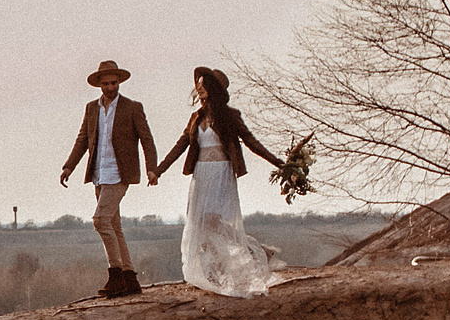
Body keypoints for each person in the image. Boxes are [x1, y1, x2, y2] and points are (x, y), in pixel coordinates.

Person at [152, 67, 290, 297]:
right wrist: (159, 170)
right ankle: (237, 260)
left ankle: (248, 254)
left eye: (203, 84)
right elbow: (181, 145)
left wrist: (279, 163)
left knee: (211, 221)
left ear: (213, 89)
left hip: (222, 172)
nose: (199, 88)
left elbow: (251, 141)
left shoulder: (229, 116)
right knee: (201, 224)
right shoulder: (195, 117)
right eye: (198, 85)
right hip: (201, 174)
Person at [59, 59, 158, 298]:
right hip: (99, 173)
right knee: (114, 226)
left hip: (120, 174)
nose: (111, 88)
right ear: (99, 85)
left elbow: (147, 139)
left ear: (119, 82)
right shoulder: (91, 108)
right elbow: (83, 139)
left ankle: (115, 274)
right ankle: (130, 278)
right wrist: (69, 166)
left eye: (114, 83)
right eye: (106, 84)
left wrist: (152, 168)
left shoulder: (133, 107)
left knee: (100, 220)